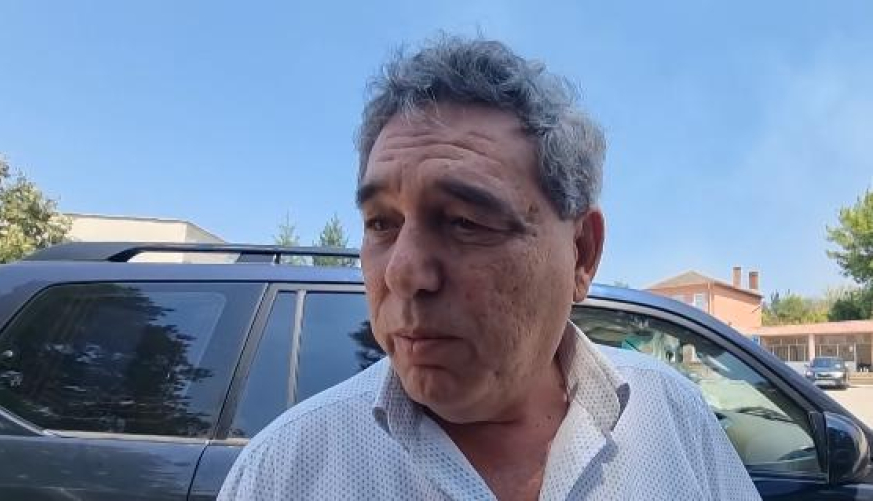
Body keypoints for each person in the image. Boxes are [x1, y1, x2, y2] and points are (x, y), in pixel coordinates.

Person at [218, 35, 761, 500]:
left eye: (464, 221)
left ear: (582, 253)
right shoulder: (282, 474)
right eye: (381, 223)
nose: (403, 273)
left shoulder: (671, 418)